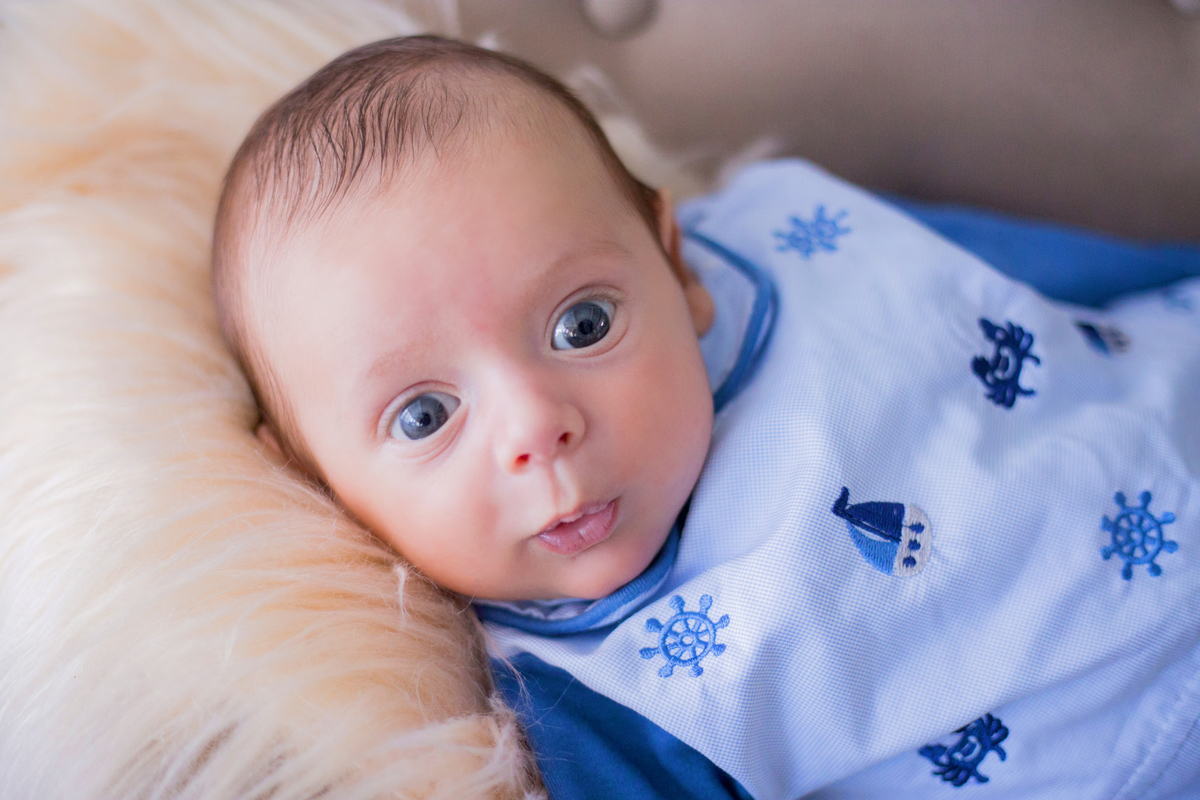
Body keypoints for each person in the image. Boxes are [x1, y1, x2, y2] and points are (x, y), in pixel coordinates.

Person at [212, 35, 1200, 800]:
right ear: (307, 474)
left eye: (581, 321)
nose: (534, 426)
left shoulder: (792, 234)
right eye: (425, 414)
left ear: (677, 266)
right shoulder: (586, 696)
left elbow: (1016, 279)